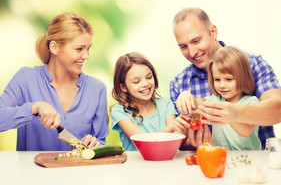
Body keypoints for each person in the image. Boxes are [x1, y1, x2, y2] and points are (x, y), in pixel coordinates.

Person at [170, 7, 281, 149]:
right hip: (212, 161)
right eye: (183, 46)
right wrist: (190, 142)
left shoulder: (252, 64)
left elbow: (278, 109)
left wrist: (235, 113)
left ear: (213, 32)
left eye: (196, 41)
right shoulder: (179, 83)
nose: (192, 52)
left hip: (258, 164)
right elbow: (179, 140)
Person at [0, 12, 109, 151]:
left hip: (80, 172)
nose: (86, 56)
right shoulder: (25, 79)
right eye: (79, 49)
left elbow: (101, 142)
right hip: (31, 172)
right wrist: (34, 107)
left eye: (88, 49)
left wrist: (95, 144)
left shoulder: (97, 89)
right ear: (54, 47)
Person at [175, 46, 261, 150]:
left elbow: (246, 131)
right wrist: (186, 95)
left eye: (228, 79)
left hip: (248, 159)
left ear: (243, 77)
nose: (222, 85)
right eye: (217, 79)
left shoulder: (251, 102)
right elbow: (196, 103)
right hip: (220, 158)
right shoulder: (215, 100)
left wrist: (227, 114)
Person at [111, 52, 177, 151]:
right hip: (135, 165)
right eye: (136, 82)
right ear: (123, 87)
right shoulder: (119, 112)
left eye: (149, 77)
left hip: (165, 160)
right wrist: (172, 127)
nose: (146, 84)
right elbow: (143, 141)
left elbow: (174, 139)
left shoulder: (166, 104)